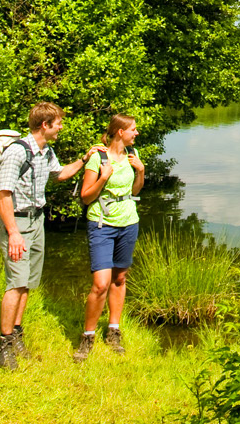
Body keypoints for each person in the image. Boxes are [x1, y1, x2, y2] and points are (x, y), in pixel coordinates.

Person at [0, 101, 93, 371]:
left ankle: (16, 334)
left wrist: (85, 160)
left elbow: (60, 174)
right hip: (17, 222)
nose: (61, 126)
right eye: (58, 122)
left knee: (27, 283)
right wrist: (13, 233)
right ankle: (3, 345)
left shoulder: (45, 150)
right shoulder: (17, 152)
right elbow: (3, 195)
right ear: (44, 125)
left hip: (37, 221)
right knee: (15, 282)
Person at [72, 113, 146, 362]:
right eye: (133, 129)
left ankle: (113, 331)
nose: (136, 133)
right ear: (119, 131)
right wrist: (104, 176)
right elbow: (85, 196)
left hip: (129, 223)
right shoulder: (97, 158)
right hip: (102, 224)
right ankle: (88, 336)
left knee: (120, 278)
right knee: (100, 283)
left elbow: (135, 191)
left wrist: (141, 173)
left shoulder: (133, 155)